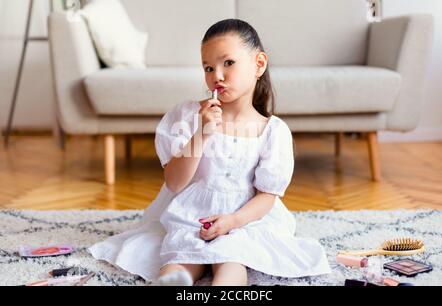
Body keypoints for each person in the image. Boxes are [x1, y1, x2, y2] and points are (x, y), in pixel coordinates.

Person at [89, 19, 330, 286]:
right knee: (179, 260)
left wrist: (234, 221)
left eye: (228, 63)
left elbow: (267, 196)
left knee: (231, 261)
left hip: (245, 218)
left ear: (258, 64)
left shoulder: (273, 131)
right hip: (192, 213)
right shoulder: (187, 116)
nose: (217, 75)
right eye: (208, 67)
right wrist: (202, 132)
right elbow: (175, 182)